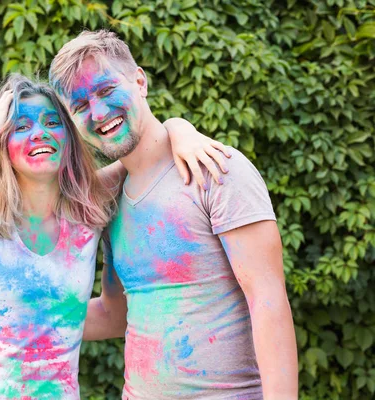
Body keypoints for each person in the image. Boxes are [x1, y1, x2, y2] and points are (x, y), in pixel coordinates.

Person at [0, 73, 228, 399]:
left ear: (68, 137)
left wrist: (180, 129)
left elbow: (148, 148)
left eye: (52, 122)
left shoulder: (90, 206)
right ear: (4, 144)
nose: (39, 134)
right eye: (20, 127)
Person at [45, 29, 299, 399]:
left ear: (140, 81)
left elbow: (268, 299)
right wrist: (24, 317)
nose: (98, 113)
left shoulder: (214, 170)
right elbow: (116, 315)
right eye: (80, 107)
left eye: (105, 90)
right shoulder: (108, 200)